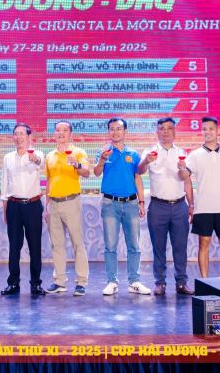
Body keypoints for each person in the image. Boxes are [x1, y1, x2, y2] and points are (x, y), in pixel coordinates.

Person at [138, 117, 195, 296]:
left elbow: (186, 179)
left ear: (174, 131)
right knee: (158, 247)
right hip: (158, 206)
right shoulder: (150, 152)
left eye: (169, 128)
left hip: (179, 206)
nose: (165, 132)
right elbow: (139, 170)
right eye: (162, 128)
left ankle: (181, 282)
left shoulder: (182, 152)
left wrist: (191, 204)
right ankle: (160, 283)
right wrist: (146, 161)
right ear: (157, 131)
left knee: (180, 247)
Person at [94, 118, 150, 296]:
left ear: (125, 131)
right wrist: (102, 160)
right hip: (110, 204)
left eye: (119, 128)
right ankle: (112, 281)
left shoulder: (133, 154)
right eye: (112, 129)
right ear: (108, 132)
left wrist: (141, 202)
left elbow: (138, 178)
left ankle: (134, 281)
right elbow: (96, 172)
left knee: (134, 244)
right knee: (110, 245)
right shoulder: (104, 152)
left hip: (131, 203)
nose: (115, 132)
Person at [181, 116, 220, 277]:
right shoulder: (195, 155)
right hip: (203, 207)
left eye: (211, 129)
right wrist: (181, 169)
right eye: (204, 129)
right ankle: (205, 281)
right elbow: (184, 176)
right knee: (204, 243)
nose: (207, 132)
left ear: (217, 131)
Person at [45, 121, 90, 296]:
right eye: (58, 130)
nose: (61, 133)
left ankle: (81, 281)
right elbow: (49, 181)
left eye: (65, 130)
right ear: (54, 133)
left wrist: (77, 165)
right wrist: (46, 205)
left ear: (70, 134)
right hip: (53, 204)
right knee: (57, 244)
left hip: (71, 201)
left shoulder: (78, 152)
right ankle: (60, 281)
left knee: (77, 242)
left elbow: (87, 172)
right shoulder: (50, 155)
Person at [0, 123, 46, 296]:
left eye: (22, 134)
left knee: (35, 246)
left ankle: (36, 283)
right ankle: (13, 283)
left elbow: (40, 162)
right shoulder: (8, 158)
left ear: (29, 137)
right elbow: (5, 183)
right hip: (13, 206)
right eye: (16, 134)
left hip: (33, 205)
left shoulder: (36, 154)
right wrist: (5, 207)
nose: (18, 137)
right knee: (14, 246)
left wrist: (34, 159)